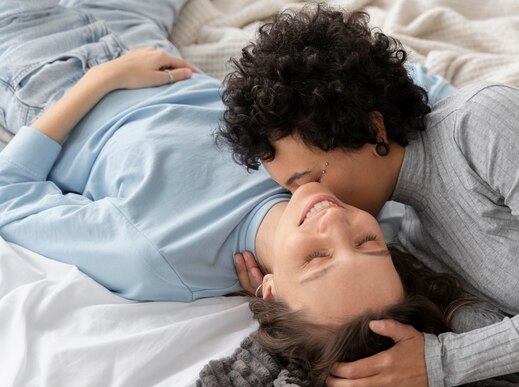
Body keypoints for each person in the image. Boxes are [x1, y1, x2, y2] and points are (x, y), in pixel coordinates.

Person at [220, 4, 519, 387]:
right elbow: (497, 329)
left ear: (372, 128)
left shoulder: (483, 123)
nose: (309, 201)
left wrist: (444, 364)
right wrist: (279, 300)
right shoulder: (405, 235)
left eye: (309, 177)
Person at [0, 0, 462, 316]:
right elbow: (421, 94)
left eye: (317, 258)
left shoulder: (159, 257)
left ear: (270, 293)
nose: (334, 224)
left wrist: (101, 81)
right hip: (147, 42)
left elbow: (9, 193)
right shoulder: (359, 184)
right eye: (367, 244)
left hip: (48, 72)